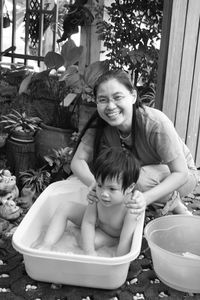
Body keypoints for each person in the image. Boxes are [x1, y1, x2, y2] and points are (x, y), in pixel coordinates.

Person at [70, 69, 199, 216]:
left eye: (117, 97)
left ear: (133, 96)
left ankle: (175, 204)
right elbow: (77, 162)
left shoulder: (155, 123)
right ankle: (160, 201)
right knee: (95, 181)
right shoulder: (101, 124)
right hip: (142, 173)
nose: (110, 106)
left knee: (132, 183)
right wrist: (94, 185)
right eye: (103, 99)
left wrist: (145, 198)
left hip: (182, 176)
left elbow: (180, 173)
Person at [36, 147, 142, 257]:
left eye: (112, 189)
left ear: (129, 188)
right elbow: (88, 222)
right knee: (65, 207)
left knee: (90, 242)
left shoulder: (131, 208)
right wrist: (89, 252)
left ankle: (76, 232)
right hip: (96, 222)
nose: (104, 194)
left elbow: (125, 241)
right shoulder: (97, 194)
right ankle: (46, 245)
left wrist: (118, 263)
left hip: (111, 235)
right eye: (100, 185)